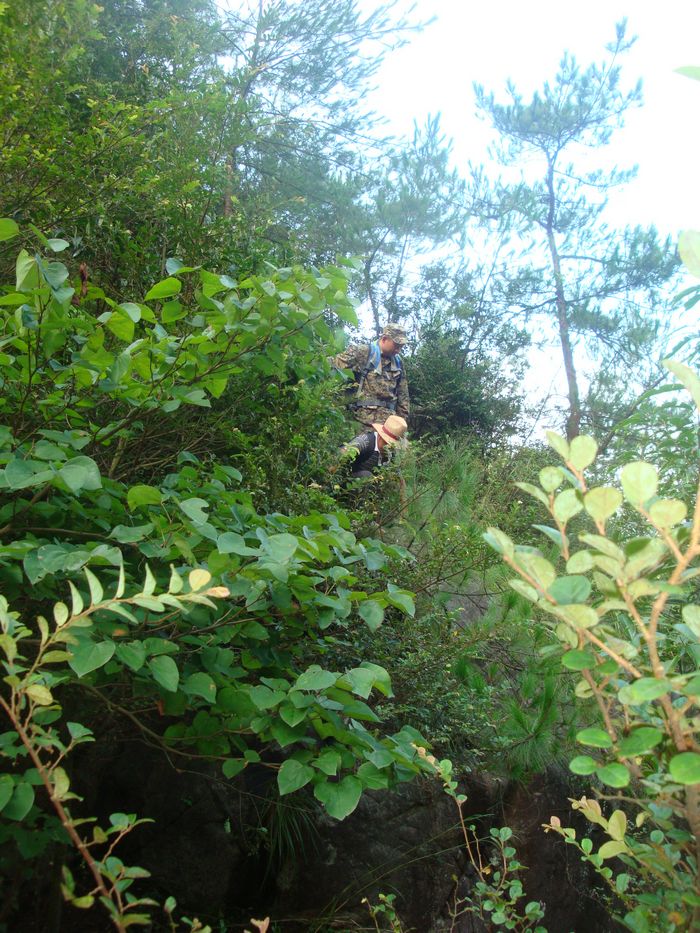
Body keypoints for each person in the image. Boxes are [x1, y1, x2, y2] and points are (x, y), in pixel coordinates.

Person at [333, 324, 410, 429]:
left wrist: (401, 423)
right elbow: (334, 365)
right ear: (384, 339)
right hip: (363, 421)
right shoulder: (363, 352)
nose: (398, 350)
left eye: (401, 346)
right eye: (396, 345)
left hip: (388, 425)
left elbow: (403, 395)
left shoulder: (398, 362)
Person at [341, 415, 408, 479]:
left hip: (374, 483)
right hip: (350, 479)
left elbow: (397, 475)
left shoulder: (393, 453)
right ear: (380, 436)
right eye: (387, 442)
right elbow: (341, 455)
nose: (390, 447)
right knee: (367, 475)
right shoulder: (364, 441)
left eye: (393, 445)